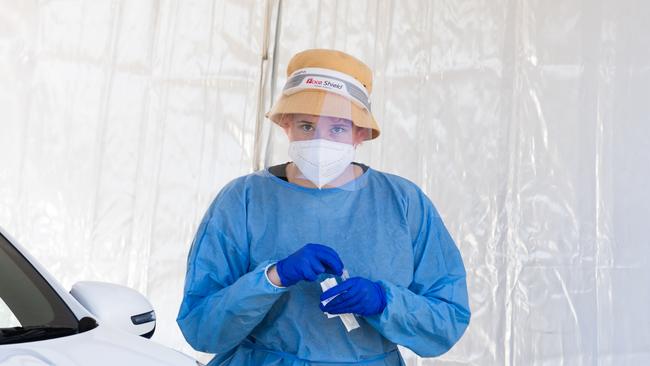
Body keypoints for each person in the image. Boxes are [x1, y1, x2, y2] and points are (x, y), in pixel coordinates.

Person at [177, 49, 470, 365]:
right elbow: (202, 328)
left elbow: (447, 320)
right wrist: (273, 277)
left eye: (337, 128)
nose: (320, 139)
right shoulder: (243, 200)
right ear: (285, 124)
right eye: (306, 125)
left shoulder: (403, 202)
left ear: (360, 133)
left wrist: (385, 301)